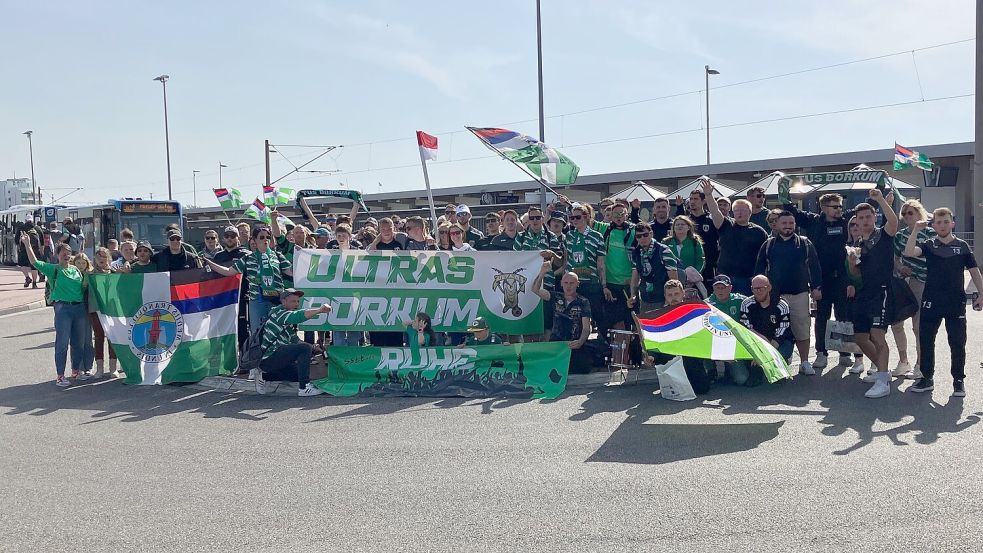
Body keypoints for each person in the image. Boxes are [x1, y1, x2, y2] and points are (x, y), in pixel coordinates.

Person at [904, 209, 983, 397]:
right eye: (938, 222)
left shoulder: (962, 246)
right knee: (926, 340)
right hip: (931, 301)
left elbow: (974, 272)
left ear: (952, 224)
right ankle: (926, 377)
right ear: (933, 225)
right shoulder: (930, 244)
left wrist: (981, 294)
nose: (942, 225)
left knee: (957, 342)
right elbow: (908, 252)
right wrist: (915, 229)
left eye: (946, 222)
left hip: (955, 302)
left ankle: (958, 380)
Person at [783, 192, 855, 372]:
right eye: (835, 207)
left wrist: (879, 190)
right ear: (823, 208)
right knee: (822, 316)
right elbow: (791, 210)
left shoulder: (845, 219)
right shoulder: (813, 221)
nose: (839, 210)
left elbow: (866, 208)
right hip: (821, 277)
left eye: (840, 206)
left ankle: (844, 353)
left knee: (843, 315)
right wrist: (784, 191)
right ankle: (821, 353)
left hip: (842, 276)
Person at [754, 210, 822, 375]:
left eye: (791, 223)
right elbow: (759, 269)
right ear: (776, 225)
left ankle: (805, 362)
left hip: (799, 293)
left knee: (802, 328)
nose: (788, 226)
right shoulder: (768, 244)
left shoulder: (805, 243)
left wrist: (816, 287)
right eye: (784, 223)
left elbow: (815, 267)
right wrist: (758, 290)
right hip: (775, 296)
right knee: (775, 329)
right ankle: (777, 360)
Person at [847, 189, 898, 399]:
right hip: (863, 293)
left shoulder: (883, 234)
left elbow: (894, 222)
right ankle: (881, 372)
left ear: (874, 217)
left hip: (882, 292)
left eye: (869, 216)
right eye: (861, 218)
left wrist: (879, 201)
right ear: (856, 222)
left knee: (878, 335)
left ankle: (883, 381)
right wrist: (851, 264)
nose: (865, 220)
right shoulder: (857, 244)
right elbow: (856, 273)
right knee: (860, 337)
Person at [21, 234, 86, 387]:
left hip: (79, 308)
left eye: (68, 253)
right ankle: (60, 375)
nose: (66, 255)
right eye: (63, 253)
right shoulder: (53, 269)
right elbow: (34, 262)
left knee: (78, 343)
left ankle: (76, 371)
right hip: (63, 308)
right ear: (57, 255)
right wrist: (27, 244)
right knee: (62, 343)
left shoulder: (77, 270)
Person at [203, 226, 293, 334]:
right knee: (257, 334)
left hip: (276, 301)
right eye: (262, 237)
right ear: (254, 240)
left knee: (278, 332)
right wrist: (210, 263)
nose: (265, 240)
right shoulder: (248, 257)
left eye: (268, 237)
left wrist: (304, 258)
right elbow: (228, 271)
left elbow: (291, 272)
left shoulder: (277, 255)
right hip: (257, 301)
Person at [253, 288, 331, 397]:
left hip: (275, 360)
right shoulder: (279, 314)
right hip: (268, 358)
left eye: (298, 301)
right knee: (304, 349)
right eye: (293, 301)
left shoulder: (285, 320)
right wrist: (319, 310)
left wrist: (315, 348)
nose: (296, 304)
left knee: (296, 374)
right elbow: (298, 316)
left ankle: (263, 376)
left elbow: (295, 340)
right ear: (283, 301)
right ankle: (304, 388)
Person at [890, 199, 934, 379]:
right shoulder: (900, 236)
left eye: (911, 212)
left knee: (918, 326)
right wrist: (900, 268)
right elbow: (895, 258)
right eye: (905, 213)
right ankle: (903, 361)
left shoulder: (930, 234)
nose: (907, 216)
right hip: (903, 281)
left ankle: (920, 364)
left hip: (922, 281)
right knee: (896, 322)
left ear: (919, 213)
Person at [703, 179, 767, 296]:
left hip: (748, 279)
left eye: (743, 210)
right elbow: (715, 211)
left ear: (750, 212)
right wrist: (708, 195)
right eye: (736, 210)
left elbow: (765, 256)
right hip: (724, 278)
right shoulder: (726, 225)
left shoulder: (759, 232)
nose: (739, 213)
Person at [731, 275, 794, 386]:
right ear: (751, 289)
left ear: (769, 288)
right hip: (756, 342)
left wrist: (764, 353)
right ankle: (759, 370)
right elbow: (747, 331)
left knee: (784, 352)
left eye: (762, 288)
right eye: (755, 288)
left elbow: (782, 332)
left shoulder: (781, 305)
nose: (758, 291)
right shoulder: (746, 304)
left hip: (777, 343)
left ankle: (778, 366)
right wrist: (758, 351)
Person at [531, 264, 593, 374]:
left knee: (580, 370)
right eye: (566, 283)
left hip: (574, 345)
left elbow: (587, 328)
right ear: (561, 284)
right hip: (556, 345)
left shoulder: (583, 302)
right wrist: (542, 274)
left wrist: (580, 341)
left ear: (577, 284)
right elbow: (535, 290)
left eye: (572, 283)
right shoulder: (554, 296)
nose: (568, 286)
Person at [516, 206, 566, 339]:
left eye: (538, 217)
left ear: (543, 218)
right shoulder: (520, 238)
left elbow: (560, 263)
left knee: (546, 325)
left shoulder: (552, 237)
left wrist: (552, 254)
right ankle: (528, 357)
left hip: (547, 286)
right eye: (531, 218)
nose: (535, 220)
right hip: (525, 287)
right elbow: (513, 261)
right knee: (527, 326)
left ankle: (543, 355)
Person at [660, 279, 713, 394]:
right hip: (670, 358)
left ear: (683, 293)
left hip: (691, 357)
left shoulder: (694, 312)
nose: (673, 297)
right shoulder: (659, 316)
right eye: (670, 295)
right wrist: (650, 357)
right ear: (665, 296)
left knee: (702, 389)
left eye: (676, 294)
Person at [564, 203, 607, 338]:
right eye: (572, 218)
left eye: (578, 217)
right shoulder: (569, 236)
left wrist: (604, 285)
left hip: (592, 282)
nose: (574, 220)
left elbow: (600, 263)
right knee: (573, 319)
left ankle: (603, 348)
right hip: (573, 285)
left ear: (586, 217)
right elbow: (566, 260)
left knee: (598, 317)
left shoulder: (597, 236)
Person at [600, 203, 636, 334]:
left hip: (629, 284)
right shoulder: (605, 229)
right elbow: (585, 219)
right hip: (611, 284)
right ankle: (615, 352)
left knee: (631, 321)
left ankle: (632, 352)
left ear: (627, 215)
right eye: (615, 214)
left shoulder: (635, 230)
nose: (619, 217)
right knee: (614, 322)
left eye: (622, 214)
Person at [213, 226, 251, 349]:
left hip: (241, 297)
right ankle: (227, 362)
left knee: (242, 330)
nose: (230, 238)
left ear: (237, 237)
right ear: (223, 238)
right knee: (224, 330)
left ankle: (244, 361)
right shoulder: (217, 257)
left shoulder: (246, 254)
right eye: (227, 236)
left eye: (233, 236)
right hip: (223, 299)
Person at [629, 221, 678, 313]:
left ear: (651, 234)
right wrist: (632, 295)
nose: (642, 238)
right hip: (645, 299)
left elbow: (674, 279)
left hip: (662, 299)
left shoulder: (663, 250)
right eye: (638, 236)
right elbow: (635, 277)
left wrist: (669, 300)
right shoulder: (636, 253)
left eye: (645, 235)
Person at [675, 188, 719, 287]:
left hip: (708, 266)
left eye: (695, 199)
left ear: (703, 201)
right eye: (690, 199)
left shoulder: (711, 220)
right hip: (688, 265)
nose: (692, 202)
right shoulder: (685, 221)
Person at [85, 247, 118, 378]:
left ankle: (113, 368)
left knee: (112, 337)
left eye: (105, 258)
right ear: (95, 260)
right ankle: (99, 368)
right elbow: (84, 288)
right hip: (96, 309)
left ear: (109, 259)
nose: (102, 261)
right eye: (99, 259)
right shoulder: (90, 275)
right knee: (99, 337)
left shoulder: (114, 273)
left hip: (111, 309)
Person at [662, 215, 706, 299]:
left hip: (691, 283)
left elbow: (701, 261)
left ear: (688, 227)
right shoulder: (666, 242)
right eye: (677, 225)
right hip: (670, 282)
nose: (680, 226)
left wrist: (693, 277)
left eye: (682, 224)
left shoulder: (695, 242)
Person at [17, 215, 42, 288]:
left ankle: (27, 277)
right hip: (35, 250)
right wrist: (41, 250)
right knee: (34, 266)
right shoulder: (37, 228)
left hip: (24, 249)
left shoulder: (21, 228)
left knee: (22, 264)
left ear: (25, 220)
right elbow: (42, 241)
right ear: (32, 220)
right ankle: (34, 284)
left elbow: (16, 240)